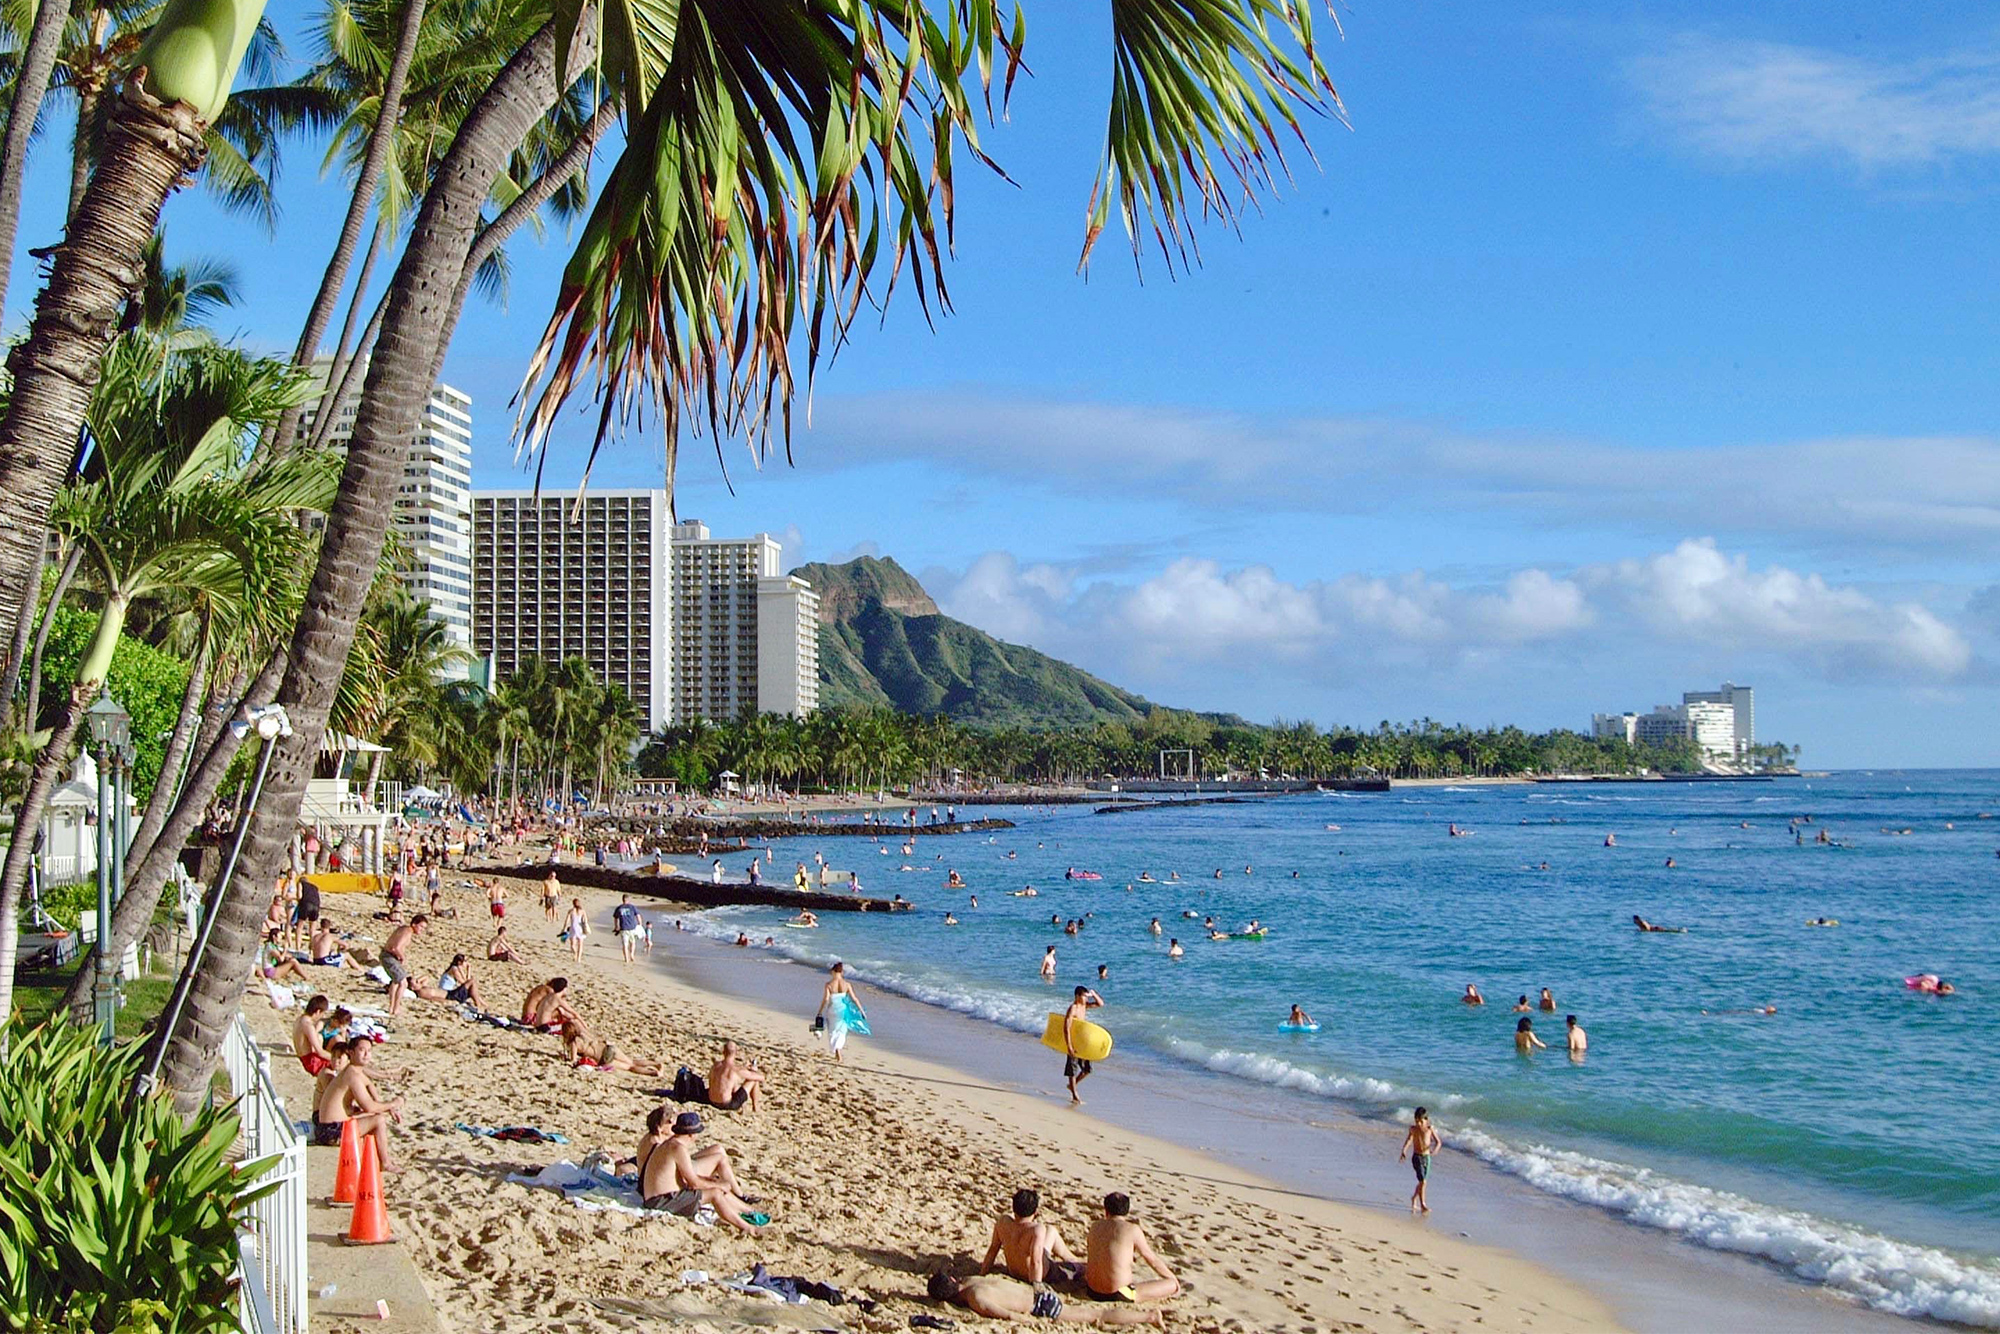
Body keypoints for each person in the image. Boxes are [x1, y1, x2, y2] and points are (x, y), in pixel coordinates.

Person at [636, 1109, 767, 1234]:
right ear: (691, 1134)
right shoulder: (678, 1149)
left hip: (661, 1196)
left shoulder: (670, 1144)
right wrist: (719, 1185)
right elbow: (694, 1184)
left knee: (715, 1185)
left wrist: (713, 1182)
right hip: (661, 1201)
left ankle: (749, 1211)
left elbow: (685, 1177)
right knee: (715, 1192)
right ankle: (747, 1228)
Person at [927, 1272, 1162, 1326]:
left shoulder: (975, 1297)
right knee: (1092, 1311)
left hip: (1041, 1305)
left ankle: (1149, 1317)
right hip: (1038, 1291)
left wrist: (1029, 1322)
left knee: (1096, 1315)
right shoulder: (972, 1280)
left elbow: (1008, 1315)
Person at [313, 1036, 403, 1170]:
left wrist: (387, 1107)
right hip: (331, 1132)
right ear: (351, 1052)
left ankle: (373, 1159)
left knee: (372, 1116)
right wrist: (393, 1104)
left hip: (328, 1127)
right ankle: (385, 1163)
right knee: (378, 1120)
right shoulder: (352, 1075)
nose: (367, 1054)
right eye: (362, 1050)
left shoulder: (353, 1070)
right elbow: (369, 1106)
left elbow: (369, 1084)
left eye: (369, 1051)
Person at [1083, 1193, 1180, 1303]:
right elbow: (1151, 1259)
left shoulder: (1095, 1226)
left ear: (1106, 1210)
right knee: (1172, 1284)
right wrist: (1173, 1279)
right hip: (1118, 1294)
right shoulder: (1132, 1229)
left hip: (1091, 1291)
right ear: (1127, 1211)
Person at [982, 1187, 1082, 1284]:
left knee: (1051, 1231)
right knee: (1077, 1269)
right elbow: (1036, 1262)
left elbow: (993, 1250)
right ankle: (1077, 1264)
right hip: (1041, 1274)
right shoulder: (1036, 1230)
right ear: (1035, 1212)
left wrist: (982, 1273)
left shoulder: (1003, 1222)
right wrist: (1036, 1287)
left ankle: (1073, 1259)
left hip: (1014, 1272)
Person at [561, 1018, 661, 1074]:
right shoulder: (583, 1034)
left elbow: (573, 1060)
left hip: (603, 1058)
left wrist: (567, 1061)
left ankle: (652, 1073)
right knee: (632, 1061)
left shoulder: (574, 1043)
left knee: (630, 1067)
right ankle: (656, 1064)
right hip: (608, 1047)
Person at [816, 962, 868, 1063]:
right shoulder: (847, 985)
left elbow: (826, 999)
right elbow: (854, 999)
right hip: (843, 1010)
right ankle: (838, 1050)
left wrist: (820, 1011)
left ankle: (837, 1051)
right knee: (841, 1031)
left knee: (833, 1031)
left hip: (833, 1010)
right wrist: (862, 1011)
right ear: (842, 972)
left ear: (833, 971)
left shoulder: (829, 985)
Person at [1064, 985, 1104, 1104]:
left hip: (1082, 1042)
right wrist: (1069, 1046)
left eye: (1087, 997)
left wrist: (1093, 994)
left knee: (1087, 1069)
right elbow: (1066, 1028)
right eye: (1084, 997)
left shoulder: (1084, 1006)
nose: (1086, 999)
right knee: (1072, 1069)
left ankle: (1073, 1085)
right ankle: (1075, 1095)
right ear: (1077, 996)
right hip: (1073, 1042)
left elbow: (1100, 1004)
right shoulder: (1073, 1008)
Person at [1398, 1107, 1442, 1214]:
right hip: (1417, 1157)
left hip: (1427, 1158)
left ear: (1426, 1120)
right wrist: (1404, 1150)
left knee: (1423, 1182)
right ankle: (1423, 1204)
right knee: (1423, 1181)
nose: (1419, 1124)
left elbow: (1438, 1142)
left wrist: (1435, 1150)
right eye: (1417, 1121)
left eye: (1421, 1121)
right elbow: (1409, 1140)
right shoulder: (1413, 1129)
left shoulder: (1430, 1129)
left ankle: (1414, 1198)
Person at [380, 915, 426, 1016]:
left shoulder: (405, 930)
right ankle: (395, 1008)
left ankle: (392, 1008)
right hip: (389, 956)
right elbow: (395, 947)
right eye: (421, 927)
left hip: (389, 956)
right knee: (403, 983)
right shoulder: (407, 931)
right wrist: (402, 957)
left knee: (396, 982)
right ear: (414, 924)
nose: (422, 930)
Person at [708, 1040, 766, 1112]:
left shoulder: (715, 1065)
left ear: (723, 1052)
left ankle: (755, 1106)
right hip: (727, 1104)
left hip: (711, 1100)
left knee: (732, 1081)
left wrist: (744, 1067)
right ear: (736, 1053)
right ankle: (756, 1106)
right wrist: (754, 1070)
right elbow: (761, 1078)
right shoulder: (736, 1070)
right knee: (753, 1079)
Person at [293, 994, 334, 1075]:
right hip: (310, 1063)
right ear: (318, 1011)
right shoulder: (308, 1026)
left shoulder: (299, 1020)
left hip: (302, 1057)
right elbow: (320, 1052)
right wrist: (335, 1058)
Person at [613, 894, 642, 963]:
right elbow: (638, 916)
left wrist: (616, 926)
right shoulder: (632, 907)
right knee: (632, 942)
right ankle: (631, 954)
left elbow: (615, 918)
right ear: (628, 900)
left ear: (623, 900)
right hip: (632, 927)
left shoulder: (619, 908)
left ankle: (626, 959)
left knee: (625, 944)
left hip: (623, 928)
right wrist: (640, 924)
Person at [563, 897, 589, 961]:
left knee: (572, 945)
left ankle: (575, 953)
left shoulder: (571, 911)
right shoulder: (582, 911)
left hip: (573, 928)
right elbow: (585, 920)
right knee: (580, 944)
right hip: (580, 928)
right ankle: (579, 958)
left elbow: (567, 920)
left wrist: (564, 928)